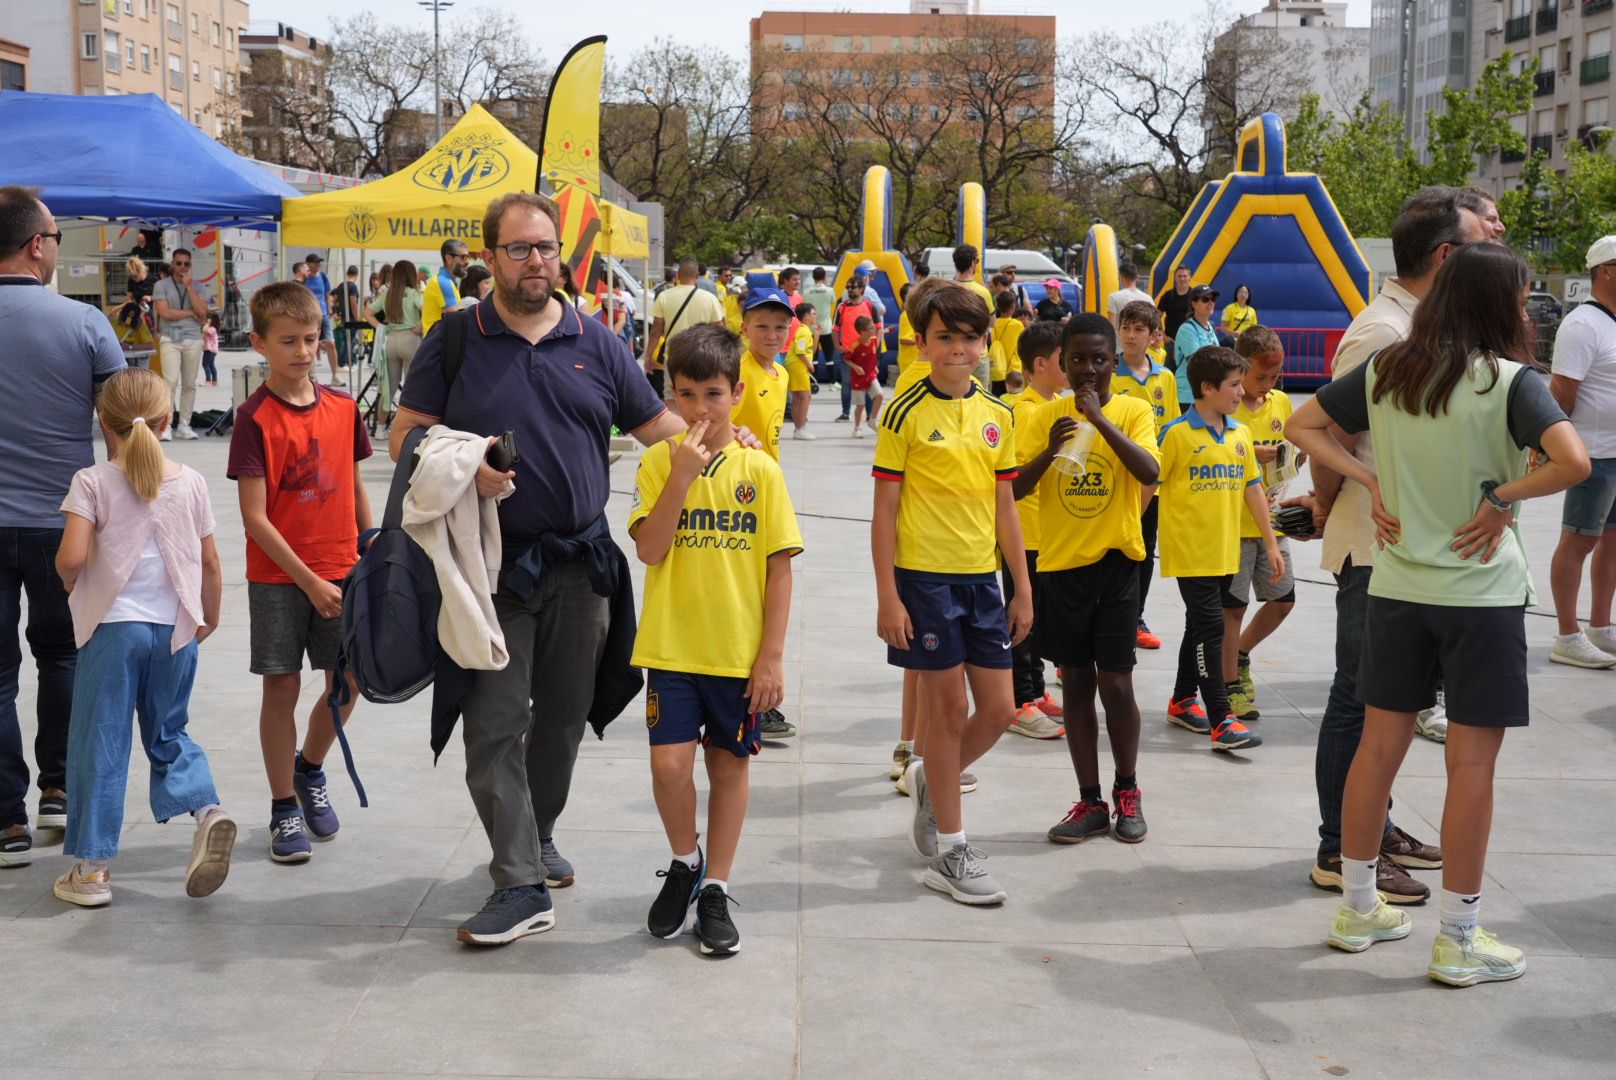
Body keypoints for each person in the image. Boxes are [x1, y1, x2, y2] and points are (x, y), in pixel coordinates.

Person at [1286, 241, 1587, 987]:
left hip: (1397, 587)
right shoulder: (1511, 382)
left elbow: (1303, 424)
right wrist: (1499, 498)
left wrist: (1369, 481)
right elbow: (1574, 463)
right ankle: (1458, 936)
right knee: (1472, 765)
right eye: (1520, 303)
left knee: (1376, 750)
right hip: (1479, 599)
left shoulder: (1389, 371)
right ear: (1495, 307)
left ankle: (1359, 909)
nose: (1527, 315)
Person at [392, 192, 686, 946]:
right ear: (488, 257)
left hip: (581, 564)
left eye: (546, 248)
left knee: (560, 719)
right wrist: (466, 470)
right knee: (493, 721)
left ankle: (536, 834)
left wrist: (724, 439)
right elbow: (404, 436)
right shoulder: (457, 337)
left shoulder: (600, 340)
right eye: (519, 249)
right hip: (490, 568)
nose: (536, 262)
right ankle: (519, 883)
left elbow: (657, 426)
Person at [1286, 187, 1484, 904]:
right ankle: (1341, 847)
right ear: (1445, 256)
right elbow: (1328, 430)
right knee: (1360, 699)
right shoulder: (1382, 333)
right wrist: (1342, 494)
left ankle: (1378, 826)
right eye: (1480, 240)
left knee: (1390, 701)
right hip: (1377, 543)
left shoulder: (1420, 324)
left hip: (1407, 545)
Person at [630, 322, 802, 956]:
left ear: (735, 395)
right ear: (670, 396)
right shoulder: (655, 463)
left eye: (712, 394)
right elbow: (650, 550)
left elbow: (779, 569)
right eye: (685, 395)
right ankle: (685, 860)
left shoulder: (761, 469)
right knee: (669, 766)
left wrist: (771, 657)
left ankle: (717, 887)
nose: (699, 409)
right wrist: (679, 475)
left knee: (728, 768)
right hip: (672, 648)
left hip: (737, 652)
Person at [50, 367, 233, 907]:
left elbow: (72, 557)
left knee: (100, 742)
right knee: (168, 731)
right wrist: (208, 616)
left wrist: (69, 584)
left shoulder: (92, 481)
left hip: (113, 630)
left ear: (103, 423)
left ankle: (93, 870)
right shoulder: (192, 481)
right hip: (175, 628)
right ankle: (208, 811)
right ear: (167, 417)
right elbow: (209, 562)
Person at [874, 278, 1031, 906]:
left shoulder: (998, 416)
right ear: (922, 342)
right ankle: (952, 849)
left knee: (1000, 710)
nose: (958, 350)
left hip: (982, 581)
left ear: (986, 342)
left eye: (970, 338)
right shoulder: (902, 411)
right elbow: (884, 512)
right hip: (923, 580)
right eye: (945, 338)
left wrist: (1021, 587)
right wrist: (888, 596)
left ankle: (930, 784)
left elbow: (1006, 510)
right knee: (948, 714)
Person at [0, 186, 126, 869]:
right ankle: (58, 788)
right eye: (53, 234)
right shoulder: (85, 326)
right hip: (62, 524)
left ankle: (4, 823)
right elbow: (122, 428)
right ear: (35, 246)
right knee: (63, 656)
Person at [228, 282, 373, 866]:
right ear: (260, 342)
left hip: (345, 567)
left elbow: (356, 482)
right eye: (288, 341)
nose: (303, 351)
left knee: (348, 683)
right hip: (280, 577)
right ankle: (283, 804)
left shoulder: (343, 407)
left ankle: (310, 766)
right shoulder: (253, 418)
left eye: (311, 339)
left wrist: (371, 550)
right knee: (281, 686)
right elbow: (254, 518)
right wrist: (309, 579)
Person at [1015, 313, 1160, 842]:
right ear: (1061, 362)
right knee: (1075, 684)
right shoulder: (1042, 417)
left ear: (1114, 360)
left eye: (1100, 359)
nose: (1088, 369)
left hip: (1118, 566)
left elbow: (1149, 471)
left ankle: (1128, 790)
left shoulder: (1133, 409)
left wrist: (1101, 421)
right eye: (1077, 359)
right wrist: (1050, 448)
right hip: (1060, 567)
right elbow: (1011, 491)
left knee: (1116, 686)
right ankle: (1089, 801)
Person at [1157, 346, 1282, 751]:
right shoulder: (1176, 434)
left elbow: (1253, 489)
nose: (1240, 391)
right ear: (1206, 388)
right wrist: (1132, 539)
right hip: (1191, 551)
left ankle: (1181, 701)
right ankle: (1221, 718)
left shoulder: (1239, 434)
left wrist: (1271, 542)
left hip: (1226, 550)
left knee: (1199, 627)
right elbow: (1148, 486)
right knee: (1211, 629)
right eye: (1233, 385)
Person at [1221, 327, 1297, 722]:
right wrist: (1252, 452)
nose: (1267, 386)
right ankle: (1229, 684)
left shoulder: (1282, 403)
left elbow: (1296, 449)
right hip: (1233, 523)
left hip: (1273, 521)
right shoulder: (1226, 403)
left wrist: (1286, 458)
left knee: (1282, 599)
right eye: (1259, 378)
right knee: (1232, 608)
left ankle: (1241, 653)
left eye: (1274, 378)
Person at [1547, 235, 1616, 669]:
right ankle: (1567, 635)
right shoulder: (1581, 325)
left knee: (1612, 541)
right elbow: (1560, 396)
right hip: (1592, 454)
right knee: (1579, 540)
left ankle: (1600, 627)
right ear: (1606, 270)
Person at [1002, 320, 1067, 740]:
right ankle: (1018, 701)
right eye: (1068, 359)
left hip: (1049, 532)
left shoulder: (1054, 404)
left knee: (1038, 618)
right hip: (1024, 533)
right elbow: (1017, 478)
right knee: (1020, 619)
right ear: (1040, 365)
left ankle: (1037, 689)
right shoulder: (1028, 412)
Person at [1111, 301, 1180, 652]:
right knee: (1112, 548)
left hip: (1151, 482)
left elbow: (1170, 429)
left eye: (1139, 329)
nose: (1131, 335)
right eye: (1126, 327)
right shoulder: (1109, 373)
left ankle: (1135, 617)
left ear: (1154, 335)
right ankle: (1111, 616)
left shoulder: (1164, 377)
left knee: (1144, 550)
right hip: (1115, 480)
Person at [645, 257, 726, 398]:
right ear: (697, 275)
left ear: (678, 275)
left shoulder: (663, 297)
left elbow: (656, 331)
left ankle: (676, 421)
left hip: (674, 355)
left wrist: (648, 356)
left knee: (672, 395)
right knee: (698, 396)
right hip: (702, 355)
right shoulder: (710, 298)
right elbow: (719, 330)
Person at [151, 246, 209, 441]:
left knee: (189, 383)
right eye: (179, 263)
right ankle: (166, 424)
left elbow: (202, 312)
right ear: (172, 264)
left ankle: (184, 423)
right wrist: (191, 313)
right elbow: (165, 313)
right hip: (170, 338)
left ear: (190, 265)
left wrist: (189, 287)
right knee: (170, 382)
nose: (182, 267)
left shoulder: (198, 286)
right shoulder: (161, 285)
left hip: (193, 338)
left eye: (186, 264)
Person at [367, 259, 424, 425]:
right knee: (412, 386)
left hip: (390, 340)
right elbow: (427, 311)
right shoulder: (414, 294)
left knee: (388, 387)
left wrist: (380, 327)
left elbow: (367, 312)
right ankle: (405, 426)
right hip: (410, 340)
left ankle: (380, 427)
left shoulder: (387, 294)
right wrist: (419, 326)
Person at [833, 274, 877, 420]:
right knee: (846, 382)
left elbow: (878, 327)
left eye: (853, 287)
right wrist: (837, 345)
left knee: (868, 382)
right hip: (848, 351)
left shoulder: (869, 306)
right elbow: (835, 328)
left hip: (867, 351)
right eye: (848, 287)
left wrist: (876, 346)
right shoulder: (842, 307)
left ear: (862, 289)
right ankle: (845, 412)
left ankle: (870, 414)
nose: (850, 290)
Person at [1173, 285, 1221, 407]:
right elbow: (1197, 362)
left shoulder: (1211, 326)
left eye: (1213, 299)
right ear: (1193, 304)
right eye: (1205, 299)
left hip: (1206, 394)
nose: (1210, 303)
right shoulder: (1187, 329)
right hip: (1188, 395)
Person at [298, 254, 339, 382]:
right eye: (316, 262)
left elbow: (327, 295)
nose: (318, 264)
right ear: (308, 264)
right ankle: (312, 375)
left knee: (331, 343)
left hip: (324, 314)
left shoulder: (323, 277)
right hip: (309, 315)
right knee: (311, 344)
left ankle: (334, 376)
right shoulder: (305, 278)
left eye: (319, 262)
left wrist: (330, 309)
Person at [422, 239, 470, 337]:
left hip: (436, 343)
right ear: (449, 259)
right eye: (464, 257)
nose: (467, 262)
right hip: (437, 345)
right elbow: (456, 321)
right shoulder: (443, 282)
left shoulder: (446, 281)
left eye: (468, 257)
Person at [788, 301, 819, 441]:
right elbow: (800, 352)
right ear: (806, 316)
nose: (815, 316)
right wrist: (810, 366)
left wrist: (817, 334)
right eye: (813, 314)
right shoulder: (804, 332)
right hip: (798, 365)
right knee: (806, 396)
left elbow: (810, 351)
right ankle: (801, 428)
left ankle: (798, 428)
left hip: (796, 364)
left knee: (797, 398)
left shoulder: (804, 331)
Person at [847, 316, 882, 436]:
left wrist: (874, 367)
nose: (874, 330)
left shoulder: (873, 340)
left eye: (873, 327)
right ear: (862, 332)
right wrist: (856, 367)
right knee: (860, 405)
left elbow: (872, 356)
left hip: (871, 376)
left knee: (880, 395)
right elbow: (847, 359)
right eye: (871, 328)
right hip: (858, 379)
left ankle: (872, 420)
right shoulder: (855, 345)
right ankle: (857, 428)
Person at [803, 267, 838, 380]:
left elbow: (805, 305)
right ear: (824, 277)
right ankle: (833, 382)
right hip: (826, 327)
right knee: (829, 356)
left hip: (811, 327)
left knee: (813, 356)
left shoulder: (806, 291)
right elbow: (833, 301)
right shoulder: (830, 291)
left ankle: (813, 381)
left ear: (813, 277)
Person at [990, 290, 1024, 396]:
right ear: (1013, 307)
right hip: (1013, 370)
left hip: (997, 368)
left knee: (998, 398)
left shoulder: (994, 324)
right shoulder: (1017, 325)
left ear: (997, 306)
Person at [332, 264, 364, 371]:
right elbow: (353, 303)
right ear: (357, 275)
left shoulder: (341, 285)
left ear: (347, 273)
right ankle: (343, 363)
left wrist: (336, 312)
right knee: (349, 341)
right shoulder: (353, 287)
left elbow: (334, 300)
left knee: (347, 340)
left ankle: (347, 362)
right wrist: (357, 318)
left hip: (343, 317)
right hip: (351, 317)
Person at [1106, 262, 1153, 327]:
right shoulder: (1148, 298)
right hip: (1142, 337)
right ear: (1137, 278)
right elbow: (1153, 324)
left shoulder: (1114, 297)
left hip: (1122, 336)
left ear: (1121, 278)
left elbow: (1111, 326)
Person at [1158, 266, 1194, 351]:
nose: (1182, 278)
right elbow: (1156, 317)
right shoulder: (1167, 295)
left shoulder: (1195, 296)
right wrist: (1163, 335)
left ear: (1189, 277)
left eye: (1184, 276)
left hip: (1190, 341)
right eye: (1179, 276)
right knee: (1168, 365)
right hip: (1171, 343)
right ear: (1175, 278)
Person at [118, 256, 154, 334]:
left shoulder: (153, 279)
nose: (133, 278)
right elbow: (129, 298)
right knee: (127, 314)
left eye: (135, 276)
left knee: (145, 315)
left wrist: (150, 297)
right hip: (139, 307)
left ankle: (147, 334)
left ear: (140, 270)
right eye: (131, 276)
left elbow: (161, 297)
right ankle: (127, 331)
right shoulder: (131, 281)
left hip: (153, 307)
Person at [201, 311, 221, 387]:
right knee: (211, 364)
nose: (206, 319)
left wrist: (207, 323)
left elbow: (204, 330)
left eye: (208, 318)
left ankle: (208, 381)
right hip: (211, 349)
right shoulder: (213, 328)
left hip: (210, 349)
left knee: (205, 364)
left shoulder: (212, 328)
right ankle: (214, 380)